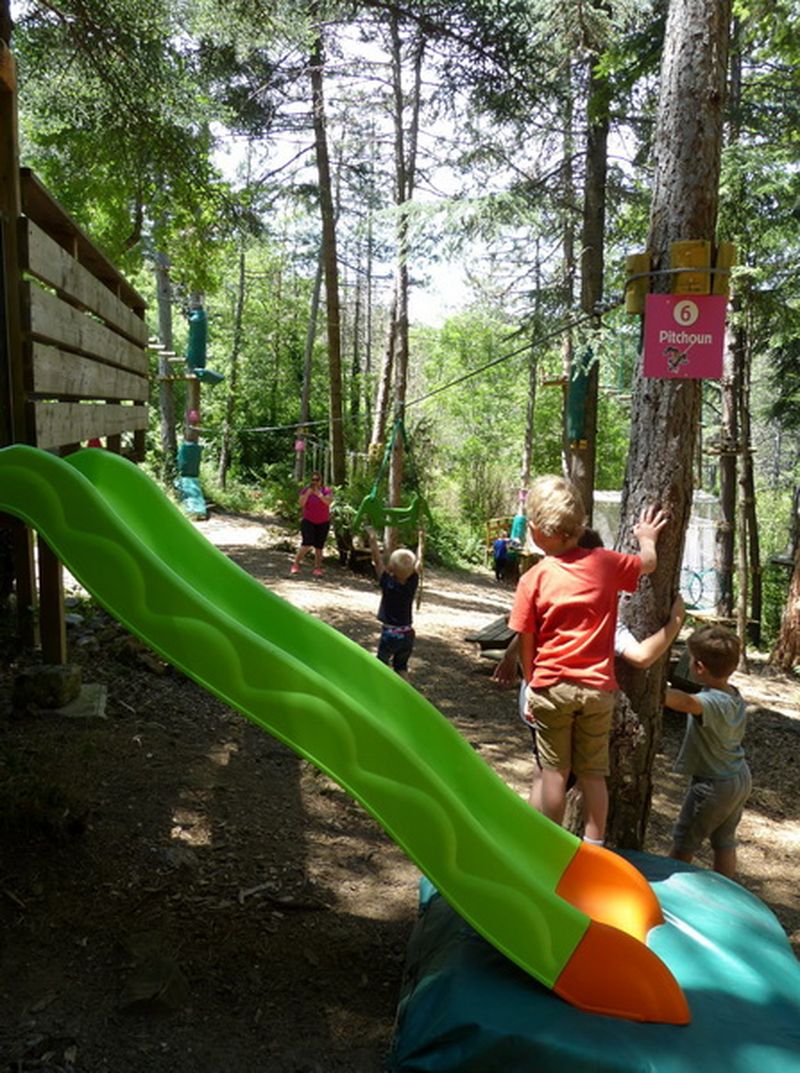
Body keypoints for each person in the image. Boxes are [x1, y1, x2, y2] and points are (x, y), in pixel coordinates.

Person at [507, 474, 668, 845]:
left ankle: (546, 845)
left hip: (551, 689)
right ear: (580, 526)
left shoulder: (533, 579)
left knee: (554, 772)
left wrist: (531, 684)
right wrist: (647, 539)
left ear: (534, 530)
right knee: (594, 776)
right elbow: (648, 564)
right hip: (598, 691)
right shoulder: (606, 563)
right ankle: (593, 850)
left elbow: (527, 642)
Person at [495, 592, 686, 802]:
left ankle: (533, 826)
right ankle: (549, 829)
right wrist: (676, 621)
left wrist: (510, 655)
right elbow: (642, 657)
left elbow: (529, 627)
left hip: (536, 698)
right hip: (567, 703)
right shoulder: (606, 621)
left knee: (545, 769)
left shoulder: (564, 597)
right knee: (561, 777)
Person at [664, 625, 751, 879]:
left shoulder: (713, 702)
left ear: (699, 667)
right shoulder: (731, 694)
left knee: (684, 841)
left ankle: (669, 893)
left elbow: (685, 702)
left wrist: (654, 689)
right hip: (739, 776)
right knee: (724, 840)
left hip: (714, 785)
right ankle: (727, 889)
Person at [364, 526, 423, 677]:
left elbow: (377, 560)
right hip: (408, 634)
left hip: (390, 633)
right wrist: (421, 539)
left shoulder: (387, 583)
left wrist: (372, 536)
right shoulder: (412, 583)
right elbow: (419, 563)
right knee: (401, 667)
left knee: (381, 667)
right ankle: (406, 695)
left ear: (390, 566)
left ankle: (380, 693)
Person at [291, 472, 334, 577]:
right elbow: (301, 503)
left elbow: (328, 502)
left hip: (323, 521)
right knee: (307, 543)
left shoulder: (326, 490)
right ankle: (295, 564)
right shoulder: (306, 490)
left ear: (321, 481)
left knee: (319, 546)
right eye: (313, 480)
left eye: (317, 480)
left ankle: (317, 568)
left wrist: (319, 495)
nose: (315, 482)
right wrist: (308, 494)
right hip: (308, 520)